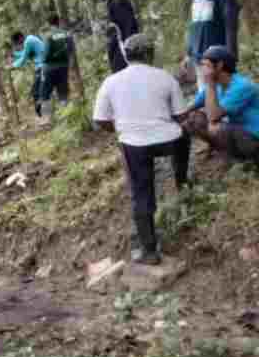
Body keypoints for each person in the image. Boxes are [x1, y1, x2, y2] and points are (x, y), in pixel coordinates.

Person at [93, 34, 190, 266]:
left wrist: (121, 129)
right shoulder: (165, 77)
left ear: (126, 56)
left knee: (141, 193)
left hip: (134, 144)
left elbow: (100, 120)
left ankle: (149, 250)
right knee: (183, 134)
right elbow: (181, 116)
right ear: (150, 54)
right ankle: (183, 181)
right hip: (168, 140)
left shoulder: (111, 81)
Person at [182, 45, 259, 165]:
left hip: (254, 137)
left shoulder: (242, 86)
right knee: (192, 119)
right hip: (239, 133)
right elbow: (191, 106)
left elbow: (214, 116)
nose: (203, 69)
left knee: (215, 127)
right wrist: (178, 115)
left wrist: (210, 83)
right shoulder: (218, 83)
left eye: (206, 65)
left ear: (219, 65)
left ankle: (236, 161)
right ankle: (219, 149)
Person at [182, 0, 240, 88]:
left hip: (218, 58)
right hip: (198, 58)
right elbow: (194, 24)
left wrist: (230, 55)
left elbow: (230, 23)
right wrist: (188, 53)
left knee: (223, 101)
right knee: (206, 97)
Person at [90, 0, 139, 73]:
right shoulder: (113, 2)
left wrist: (129, 48)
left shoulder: (118, 2)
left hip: (123, 48)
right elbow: (117, 24)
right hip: (119, 45)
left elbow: (128, 25)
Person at [38, 15, 74, 120]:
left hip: (49, 68)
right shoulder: (66, 34)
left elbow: (46, 54)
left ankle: (47, 119)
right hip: (63, 67)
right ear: (59, 22)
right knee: (63, 92)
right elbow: (71, 49)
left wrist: (43, 59)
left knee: (45, 93)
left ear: (49, 24)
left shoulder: (48, 36)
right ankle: (67, 116)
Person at [10, 31, 47, 117]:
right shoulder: (29, 40)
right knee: (36, 92)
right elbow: (25, 54)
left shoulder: (29, 41)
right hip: (42, 67)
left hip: (44, 67)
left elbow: (24, 58)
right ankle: (43, 115)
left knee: (38, 92)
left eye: (17, 43)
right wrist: (14, 54)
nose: (18, 45)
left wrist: (12, 66)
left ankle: (44, 115)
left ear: (20, 38)